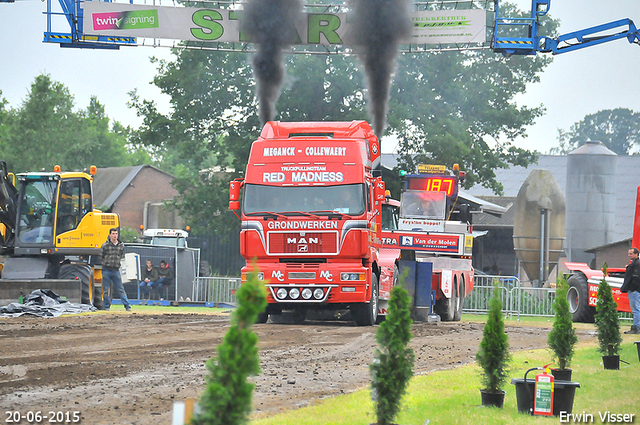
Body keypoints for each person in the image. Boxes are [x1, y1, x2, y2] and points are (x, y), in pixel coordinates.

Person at [101, 228, 131, 311]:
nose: (115, 235)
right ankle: (106, 307)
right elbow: (101, 256)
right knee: (106, 290)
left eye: (116, 234)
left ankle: (127, 306)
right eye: (113, 234)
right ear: (110, 235)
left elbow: (121, 255)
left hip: (115, 270)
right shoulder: (105, 245)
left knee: (121, 289)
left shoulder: (121, 245)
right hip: (106, 269)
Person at [621, 247, 640, 334]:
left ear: (636, 254)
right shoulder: (635, 264)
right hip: (636, 290)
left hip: (634, 291)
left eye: (631, 254)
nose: (629, 255)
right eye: (629, 253)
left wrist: (631, 288)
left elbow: (635, 278)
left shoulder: (636, 264)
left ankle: (636, 327)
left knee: (635, 309)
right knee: (636, 309)